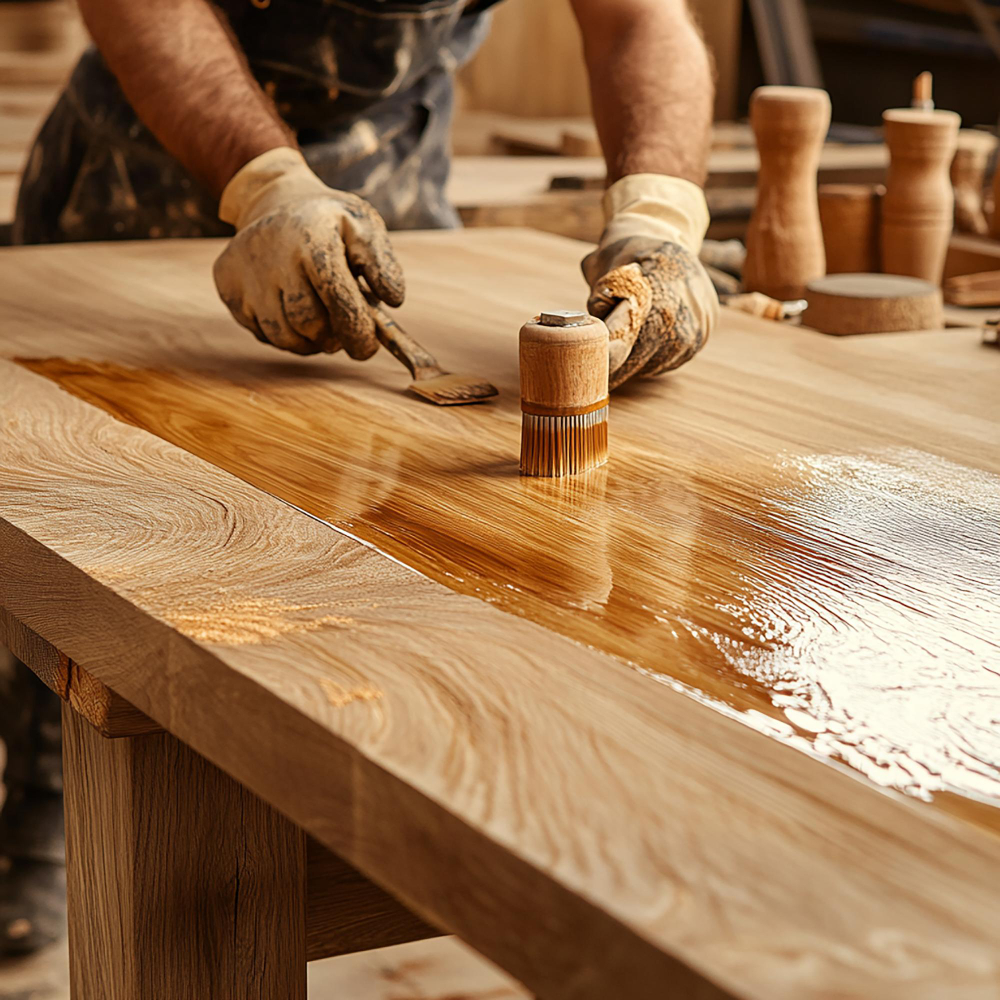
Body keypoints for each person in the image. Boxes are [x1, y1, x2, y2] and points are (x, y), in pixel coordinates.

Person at [3, 0, 719, 954]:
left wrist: (659, 218)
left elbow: (640, 22)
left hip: (392, 171)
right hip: (152, 168)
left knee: (375, 521)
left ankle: (354, 790)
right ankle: (49, 816)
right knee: (105, 525)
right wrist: (263, 185)